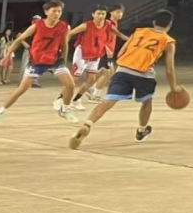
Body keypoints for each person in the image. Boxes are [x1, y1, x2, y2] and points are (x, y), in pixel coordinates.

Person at [69, 9, 181, 149]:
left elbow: (120, 53)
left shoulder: (138, 32)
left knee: (108, 101)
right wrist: (173, 88)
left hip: (123, 70)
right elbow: (169, 69)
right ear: (170, 25)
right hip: (144, 74)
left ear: (154, 22)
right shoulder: (168, 41)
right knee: (147, 102)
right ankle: (141, 130)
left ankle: (88, 124)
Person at [0, 0, 79, 128]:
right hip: (37, 61)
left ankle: (65, 109)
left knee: (70, 85)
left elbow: (64, 43)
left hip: (54, 59)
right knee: (21, 89)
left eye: (59, 11)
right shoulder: (37, 25)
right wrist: (6, 56)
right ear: (46, 12)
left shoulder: (64, 26)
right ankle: (0, 113)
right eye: (54, 11)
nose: (57, 14)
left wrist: (64, 58)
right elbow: (18, 40)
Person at [87, 4, 127, 102]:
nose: (120, 14)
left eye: (121, 12)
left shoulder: (114, 23)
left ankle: (90, 88)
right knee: (107, 74)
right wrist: (106, 49)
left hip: (108, 52)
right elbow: (101, 37)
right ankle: (95, 94)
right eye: (117, 12)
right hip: (105, 52)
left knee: (104, 73)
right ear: (111, 13)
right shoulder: (107, 23)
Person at [19, 15, 42, 88]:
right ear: (32, 21)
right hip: (28, 50)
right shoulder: (28, 29)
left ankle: (34, 81)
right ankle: (22, 81)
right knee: (25, 65)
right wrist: (24, 43)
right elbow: (19, 36)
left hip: (38, 50)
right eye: (35, 20)